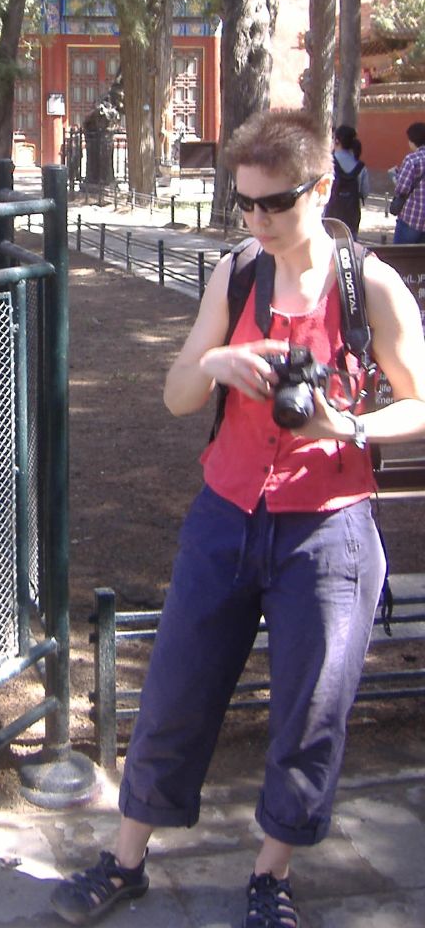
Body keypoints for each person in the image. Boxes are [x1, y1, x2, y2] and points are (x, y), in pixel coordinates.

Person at [51, 109, 425, 928]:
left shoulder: (372, 286)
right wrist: (214, 361)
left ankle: (271, 875)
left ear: (322, 189)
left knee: (309, 707)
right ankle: (124, 860)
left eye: (273, 203)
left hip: (327, 529)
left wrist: (347, 424)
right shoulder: (239, 275)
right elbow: (179, 396)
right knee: (177, 689)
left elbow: (423, 405)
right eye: (242, 203)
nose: (254, 220)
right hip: (225, 515)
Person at [323, 123, 369, 237]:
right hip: (351, 216)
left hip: (330, 214)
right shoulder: (361, 167)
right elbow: (365, 192)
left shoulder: (328, 163)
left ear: (336, 140)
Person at [390, 121, 425, 245]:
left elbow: (402, 189)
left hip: (412, 217)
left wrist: (395, 177)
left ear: (412, 140)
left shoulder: (411, 159)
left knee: (401, 256)